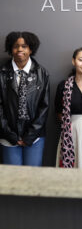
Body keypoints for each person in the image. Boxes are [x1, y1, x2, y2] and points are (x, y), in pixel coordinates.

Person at [0, 31, 50, 166]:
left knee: (33, 179)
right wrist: (10, 135)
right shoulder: (2, 73)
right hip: (7, 136)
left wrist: (30, 135)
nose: (20, 49)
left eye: (24, 46)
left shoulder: (42, 73)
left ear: (31, 49)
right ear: (11, 48)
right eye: (16, 46)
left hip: (35, 137)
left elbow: (44, 107)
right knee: (11, 180)